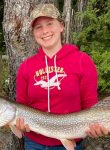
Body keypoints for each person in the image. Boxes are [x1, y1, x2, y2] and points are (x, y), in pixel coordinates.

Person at [15, 3, 109, 150]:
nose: (45, 30)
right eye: (38, 27)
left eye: (50, 23)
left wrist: (97, 128)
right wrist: (19, 123)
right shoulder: (25, 68)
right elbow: (21, 106)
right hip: (34, 144)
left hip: (69, 143)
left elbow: (91, 107)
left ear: (61, 26)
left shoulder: (82, 61)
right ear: (33, 33)